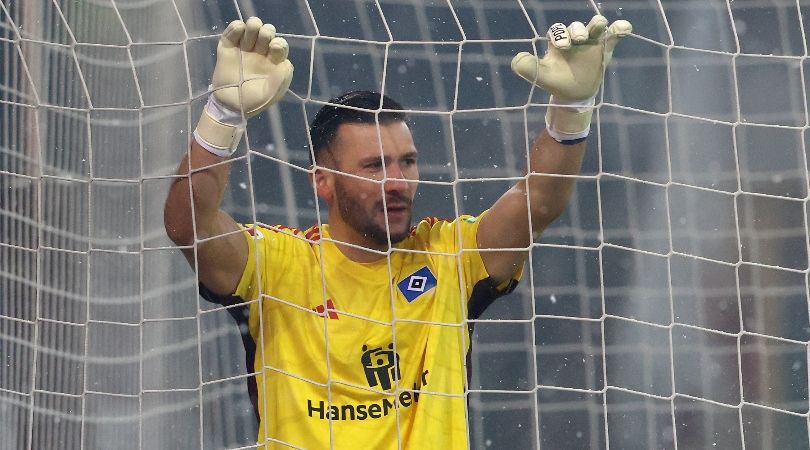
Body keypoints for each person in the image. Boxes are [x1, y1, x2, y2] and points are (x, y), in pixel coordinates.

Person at [164, 15, 631, 450]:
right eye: (374, 166)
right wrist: (223, 115)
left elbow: (539, 202)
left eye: (406, 161)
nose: (396, 181)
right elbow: (188, 223)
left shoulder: (448, 254)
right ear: (322, 180)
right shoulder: (279, 264)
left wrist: (572, 108)